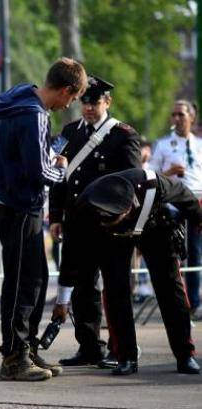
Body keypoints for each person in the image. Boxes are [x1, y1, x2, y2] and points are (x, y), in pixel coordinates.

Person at [0, 57, 87, 381]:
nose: (68, 105)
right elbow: (40, 171)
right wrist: (60, 166)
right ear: (67, 89)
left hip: (9, 201)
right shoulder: (36, 115)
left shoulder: (16, 96)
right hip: (21, 205)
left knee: (35, 278)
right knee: (23, 284)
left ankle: (25, 348)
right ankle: (15, 356)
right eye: (71, 98)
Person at [69, 168, 201, 375]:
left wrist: (199, 221)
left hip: (154, 224)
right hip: (110, 239)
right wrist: (62, 297)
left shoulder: (150, 184)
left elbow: (187, 198)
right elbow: (73, 255)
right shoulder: (85, 207)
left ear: (129, 207)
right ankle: (126, 357)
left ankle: (185, 355)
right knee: (115, 291)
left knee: (170, 287)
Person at [48, 76, 141, 368]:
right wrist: (56, 216)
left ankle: (119, 349)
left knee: (115, 288)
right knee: (83, 288)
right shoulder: (69, 132)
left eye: (95, 102)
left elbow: (131, 181)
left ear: (107, 103)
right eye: (85, 102)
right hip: (78, 223)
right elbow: (59, 177)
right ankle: (89, 346)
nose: (89, 108)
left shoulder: (123, 135)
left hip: (110, 224)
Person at [149, 100, 202, 318]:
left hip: (198, 200)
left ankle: (196, 303)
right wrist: (169, 172)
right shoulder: (163, 145)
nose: (177, 119)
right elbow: (151, 174)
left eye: (181, 114)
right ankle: (179, 303)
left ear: (192, 117)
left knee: (197, 254)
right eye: (174, 115)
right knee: (175, 253)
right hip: (175, 201)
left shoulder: (199, 144)